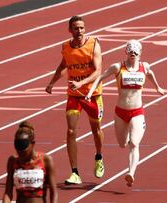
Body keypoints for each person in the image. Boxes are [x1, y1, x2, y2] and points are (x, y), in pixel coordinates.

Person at [86, 39, 164, 187]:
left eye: (136, 51)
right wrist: (90, 92)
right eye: (130, 51)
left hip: (137, 111)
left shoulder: (144, 67)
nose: (133, 54)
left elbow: (150, 74)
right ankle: (128, 135)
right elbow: (100, 78)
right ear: (126, 52)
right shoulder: (118, 67)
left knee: (134, 143)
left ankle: (131, 173)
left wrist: (157, 87)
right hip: (120, 112)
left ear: (140, 53)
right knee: (122, 143)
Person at [45, 15, 104, 184]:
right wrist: (51, 83)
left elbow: (98, 71)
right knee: (71, 131)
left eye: (82, 28)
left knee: (96, 130)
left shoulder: (93, 44)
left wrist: (81, 82)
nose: (79, 31)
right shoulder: (66, 47)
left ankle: (99, 156)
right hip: (74, 96)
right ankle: (75, 172)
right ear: (70, 30)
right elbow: (63, 65)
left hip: (92, 94)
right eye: (76, 28)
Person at [2, 121, 58, 203]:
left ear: (33, 144)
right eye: (18, 150)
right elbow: (8, 192)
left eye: (24, 151)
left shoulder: (46, 160)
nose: (20, 153)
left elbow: (54, 192)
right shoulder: (13, 161)